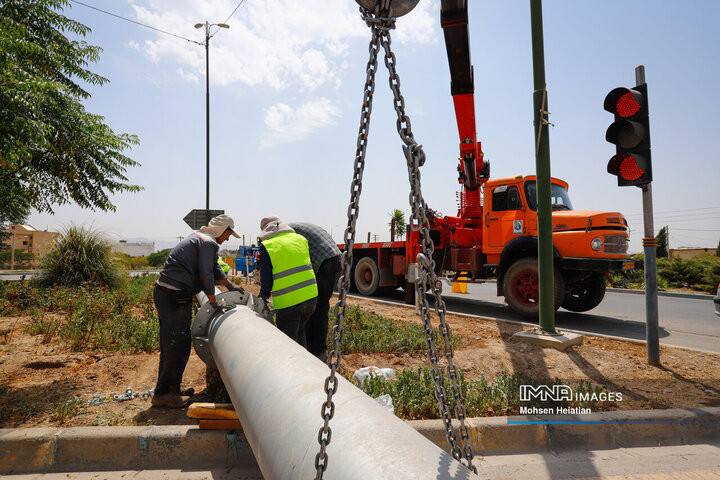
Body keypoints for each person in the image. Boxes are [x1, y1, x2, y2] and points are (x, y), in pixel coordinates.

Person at [151, 214, 241, 408]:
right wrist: (213, 301)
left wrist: (229, 285)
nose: (227, 239)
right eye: (228, 234)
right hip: (173, 296)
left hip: (170, 294)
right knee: (175, 346)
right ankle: (163, 393)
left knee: (175, 344)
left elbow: (214, 267)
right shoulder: (208, 243)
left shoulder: (201, 238)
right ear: (222, 230)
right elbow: (205, 274)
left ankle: (171, 389)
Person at [258, 216, 318, 347]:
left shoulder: (267, 246)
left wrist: (263, 296)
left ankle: (293, 367)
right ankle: (306, 365)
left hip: (289, 302)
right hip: (311, 297)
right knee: (301, 332)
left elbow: (266, 279)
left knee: (288, 344)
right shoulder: (301, 239)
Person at [289, 222, 341, 362]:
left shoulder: (286, 236)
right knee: (320, 306)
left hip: (324, 263)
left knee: (314, 307)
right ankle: (318, 350)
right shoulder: (295, 228)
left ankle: (316, 351)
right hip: (336, 258)